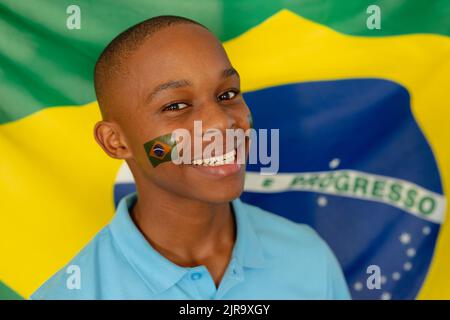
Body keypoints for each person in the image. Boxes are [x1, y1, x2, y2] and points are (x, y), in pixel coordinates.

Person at [31, 15, 350, 300]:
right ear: (116, 142)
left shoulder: (307, 258)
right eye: (175, 106)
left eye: (227, 95)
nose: (222, 123)